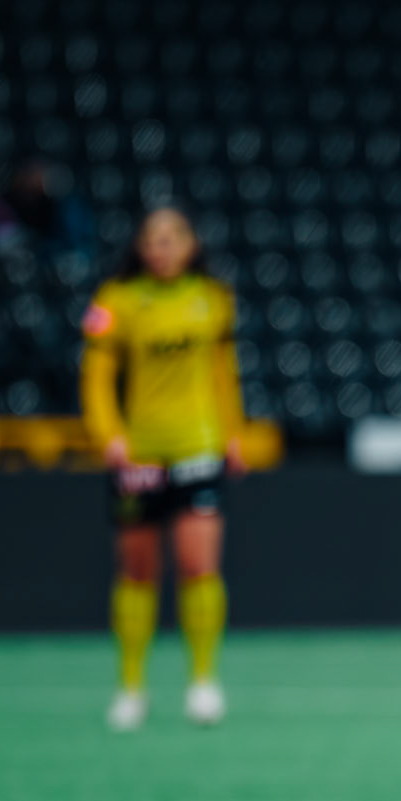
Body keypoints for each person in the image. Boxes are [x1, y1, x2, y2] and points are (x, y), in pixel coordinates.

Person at [80, 206, 245, 731]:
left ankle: (203, 681)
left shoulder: (213, 300)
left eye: (174, 237)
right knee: (137, 571)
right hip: (142, 454)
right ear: (141, 247)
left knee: (200, 566)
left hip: (197, 448)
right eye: (154, 238)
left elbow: (223, 371)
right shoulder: (117, 301)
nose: (163, 247)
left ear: (192, 244)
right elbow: (98, 375)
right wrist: (110, 438)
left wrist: (232, 432)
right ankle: (131, 687)